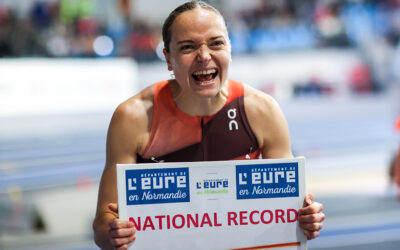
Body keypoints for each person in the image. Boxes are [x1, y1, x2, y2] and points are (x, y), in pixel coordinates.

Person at [93, 1, 325, 249]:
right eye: (188, 47)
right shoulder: (133, 117)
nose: (204, 56)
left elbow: (287, 207)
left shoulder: (262, 111)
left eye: (216, 43)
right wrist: (114, 233)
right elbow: (101, 227)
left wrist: (306, 218)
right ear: (168, 58)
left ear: (230, 49)